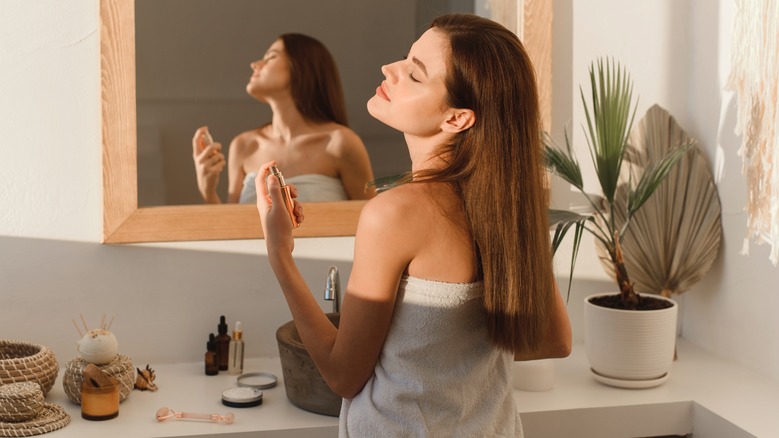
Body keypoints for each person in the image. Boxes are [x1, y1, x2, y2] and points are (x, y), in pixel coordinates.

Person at [256, 13, 571, 437]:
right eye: (405, 58)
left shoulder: (395, 213)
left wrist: (280, 255)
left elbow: (342, 376)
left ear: (457, 119)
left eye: (415, 73)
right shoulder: (507, 209)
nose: (390, 69)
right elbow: (554, 340)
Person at [192, 33, 375, 204]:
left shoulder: (341, 143)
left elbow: (370, 217)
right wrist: (207, 190)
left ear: (301, 67)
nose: (255, 64)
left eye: (271, 57)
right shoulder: (244, 145)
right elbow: (231, 223)